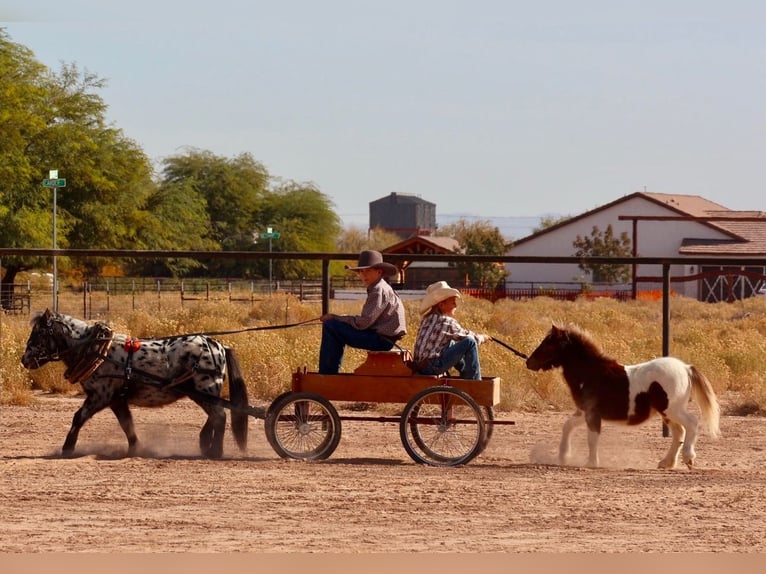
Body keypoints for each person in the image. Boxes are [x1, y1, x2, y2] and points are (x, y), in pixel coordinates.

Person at [318, 250, 407, 374]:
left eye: (368, 271)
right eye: (361, 271)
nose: (364, 275)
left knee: (331, 326)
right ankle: (330, 372)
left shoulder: (377, 290)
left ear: (379, 272)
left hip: (381, 340)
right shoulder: (381, 287)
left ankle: (327, 374)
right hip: (384, 338)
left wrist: (336, 318)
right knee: (335, 325)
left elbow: (364, 322)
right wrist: (341, 319)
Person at [412, 281, 491, 380]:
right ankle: (474, 380)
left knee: (451, 343)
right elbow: (467, 337)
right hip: (432, 366)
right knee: (470, 342)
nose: (456, 306)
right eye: (453, 302)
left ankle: (465, 373)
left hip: (420, 366)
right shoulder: (446, 321)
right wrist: (483, 337)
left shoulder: (427, 319)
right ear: (441, 305)